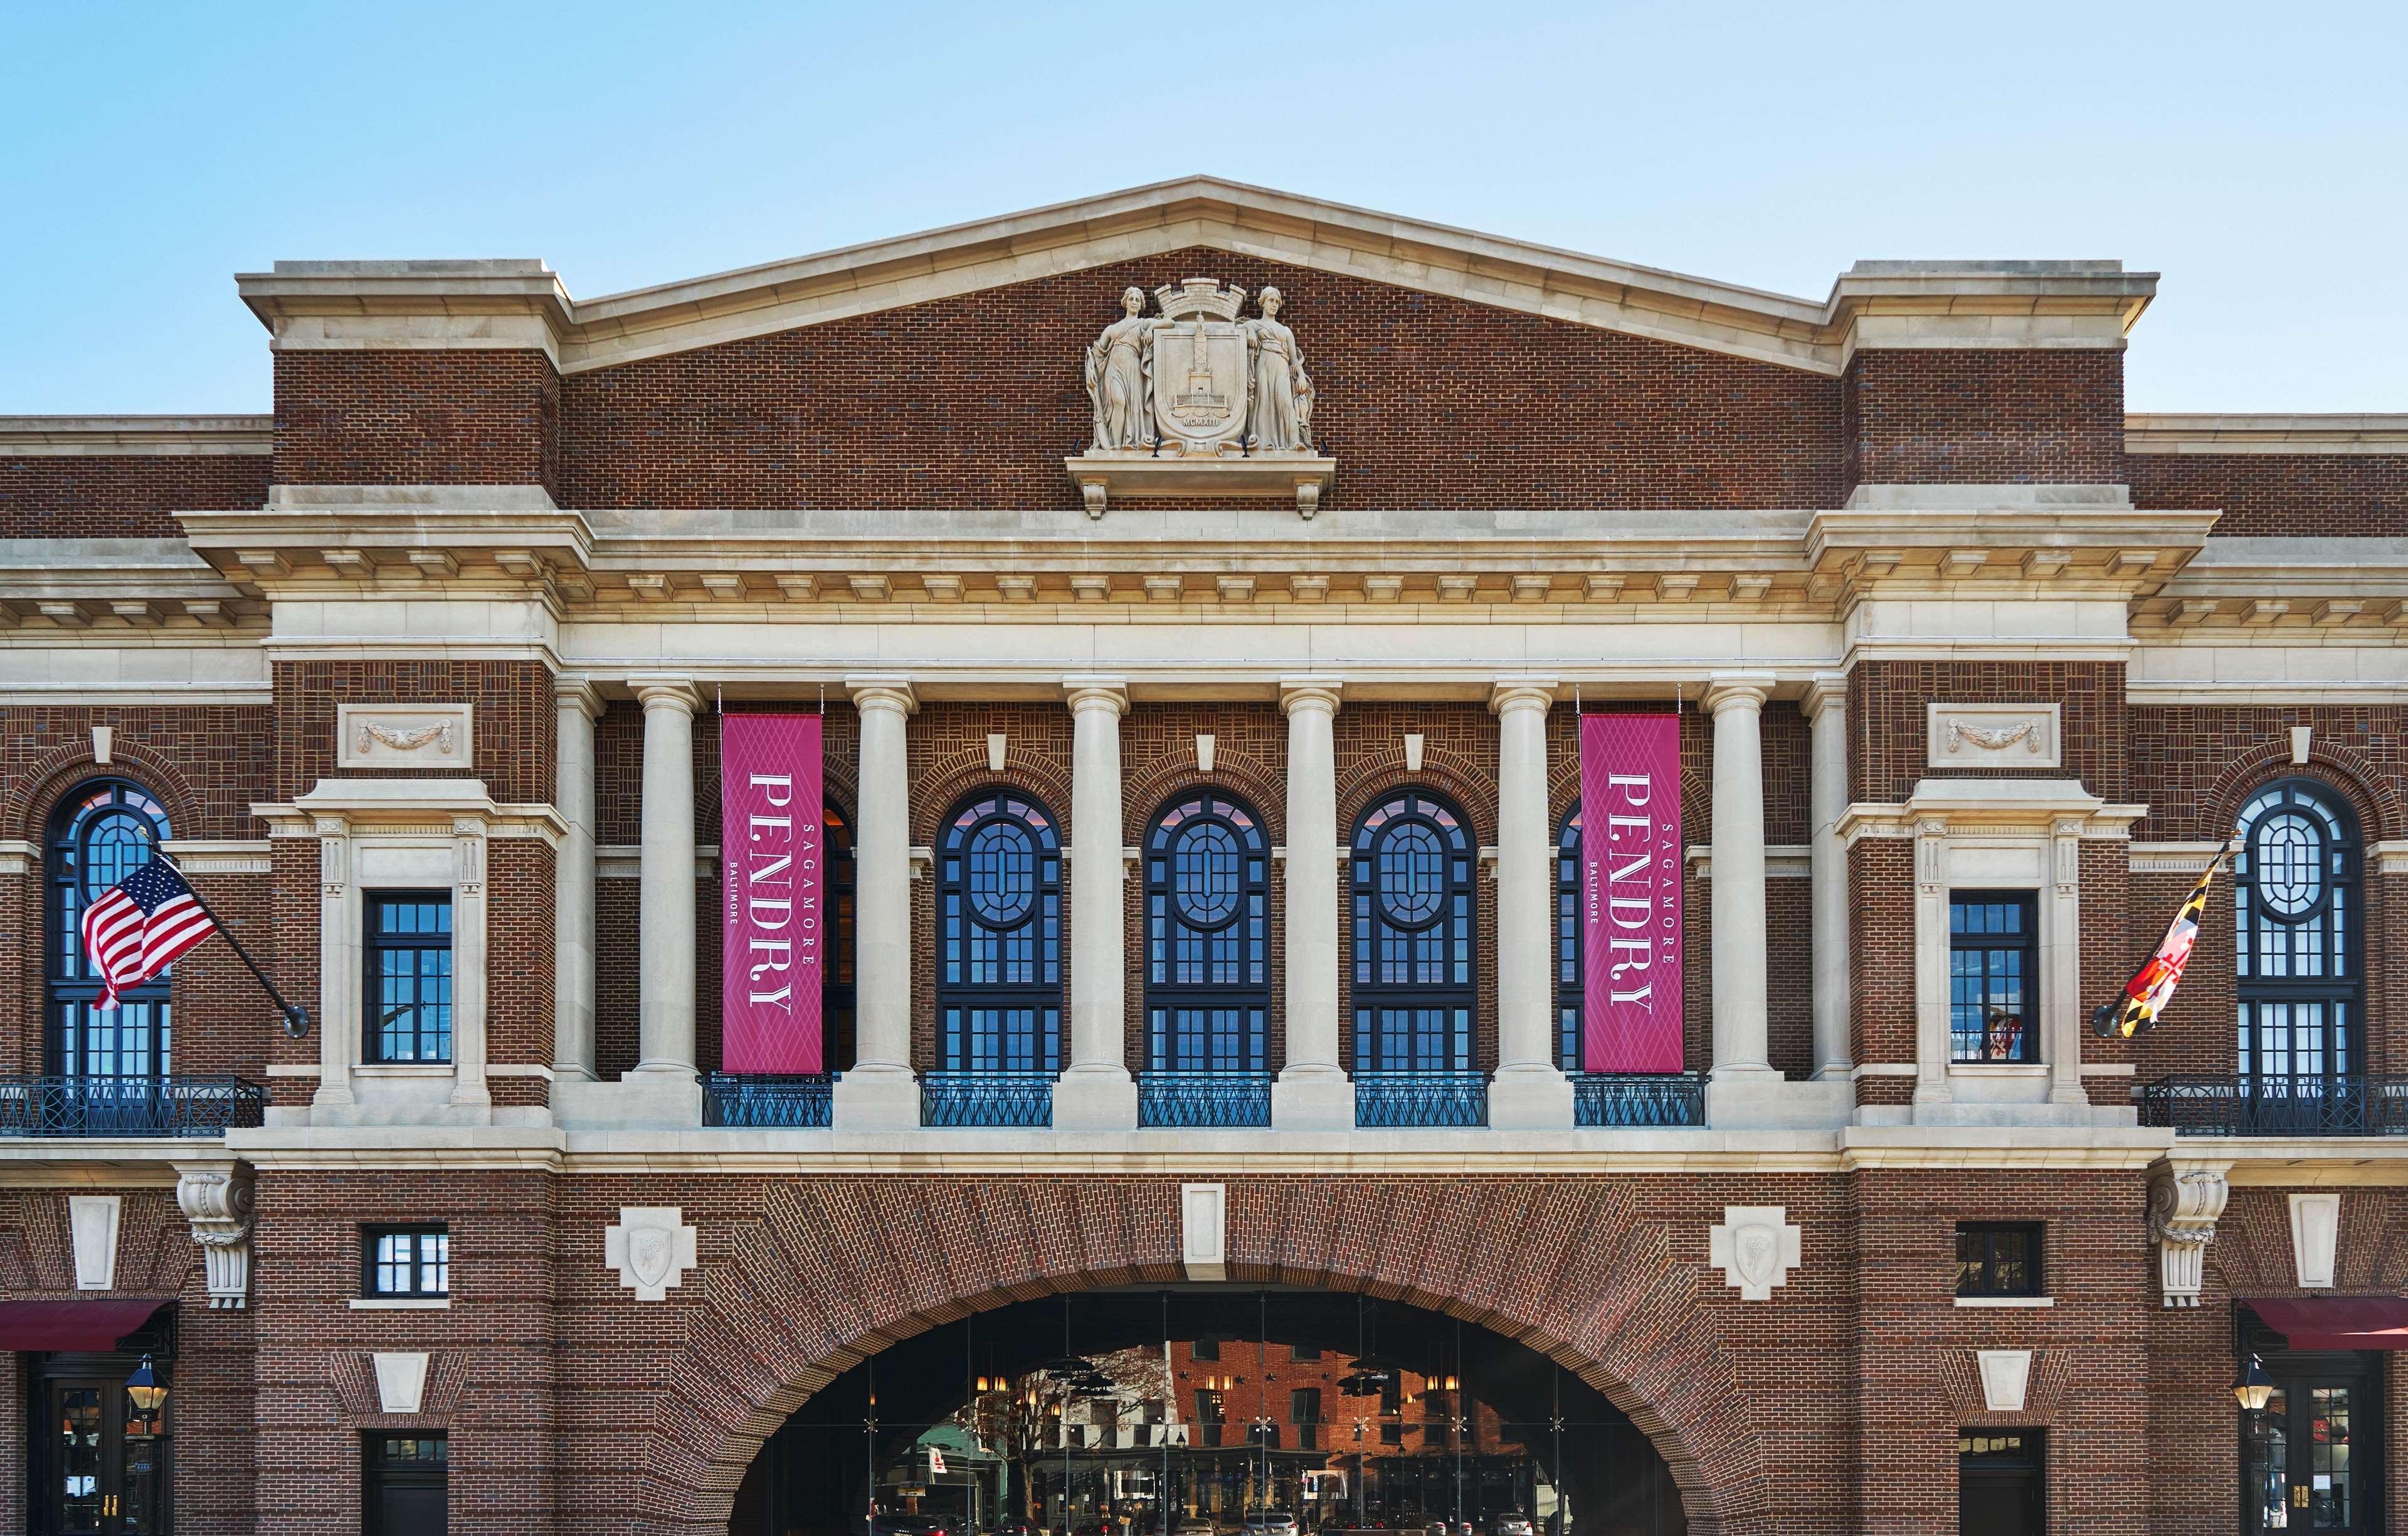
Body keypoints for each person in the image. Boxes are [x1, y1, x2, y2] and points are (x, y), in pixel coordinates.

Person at [1084, 287, 1159, 450]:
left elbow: (1169, 322)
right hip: (1113, 368)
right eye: (1131, 299)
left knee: (1131, 406)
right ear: (1125, 302)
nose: (1134, 302)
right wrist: (1090, 370)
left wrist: (1151, 329)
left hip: (1133, 369)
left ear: (1141, 305)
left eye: (1137, 300)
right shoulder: (1112, 329)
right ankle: (1115, 445)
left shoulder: (1143, 324)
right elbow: (1096, 355)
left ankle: (1130, 442)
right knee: (1119, 401)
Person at [1243, 287, 1314, 452]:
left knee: (1286, 403)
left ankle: (1294, 442)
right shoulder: (1254, 324)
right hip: (1264, 366)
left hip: (1281, 367)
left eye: (1277, 302)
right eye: (1271, 301)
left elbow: (1294, 359)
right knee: (1264, 402)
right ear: (1263, 302)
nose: (1274, 305)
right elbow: (1240, 326)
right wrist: (1250, 331)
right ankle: (1264, 441)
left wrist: (1301, 376)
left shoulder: (1286, 331)